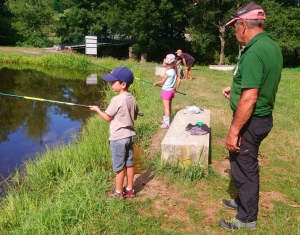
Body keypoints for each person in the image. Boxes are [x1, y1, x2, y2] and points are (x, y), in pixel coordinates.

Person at [219, 1, 283, 231]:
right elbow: (258, 81)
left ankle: (247, 218)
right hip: (259, 117)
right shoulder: (270, 45)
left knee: (245, 166)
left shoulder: (254, 51)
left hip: (252, 121)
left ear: (243, 25)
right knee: (240, 162)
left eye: (235, 26)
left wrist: (234, 131)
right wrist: (234, 89)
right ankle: (241, 200)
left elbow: (250, 98)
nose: (235, 31)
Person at [90, 67, 139, 199]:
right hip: (130, 136)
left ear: (123, 84)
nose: (111, 84)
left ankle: (118, 192)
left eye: (113, 82)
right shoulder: (132, 98)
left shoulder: (116, 100)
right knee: (129, 163)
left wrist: (97, 110)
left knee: (119, 167)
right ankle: (129, 189)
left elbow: (107, 118)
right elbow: (134, 117)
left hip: (118, 138)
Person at [153, 54, 181, 129]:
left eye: (168, 64)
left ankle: (166, 123)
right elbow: (179, 81)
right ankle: (168, 119)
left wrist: (156, 83)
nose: (167, 65)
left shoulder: (168, 72)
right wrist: (176, 89)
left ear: (172, 64)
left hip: (166, 92)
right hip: (171, 91)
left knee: (166, 108)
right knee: (169, 107)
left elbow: (162, 82)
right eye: (167, 63)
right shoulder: (175, 71)